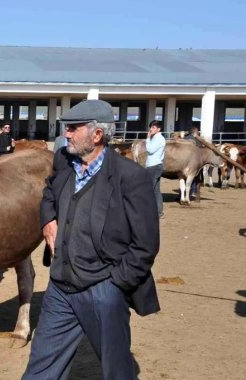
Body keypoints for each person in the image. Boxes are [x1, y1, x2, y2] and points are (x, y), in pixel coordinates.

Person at [24, 100, 160, 380]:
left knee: (116, 371)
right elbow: (49, 192)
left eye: (73, 128)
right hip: (60, 288)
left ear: (97, 135)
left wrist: (115, 284)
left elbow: (145, 245)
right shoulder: (64, 160)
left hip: (103, 289)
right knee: (40, 370)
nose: (67, 134)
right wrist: (48, 220)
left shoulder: (131, 177)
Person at [146, 120, 166, 218]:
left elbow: (150, 150)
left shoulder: (158, 138)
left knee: (149, 189)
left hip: (153, 166)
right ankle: (159, 212)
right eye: (151, 127)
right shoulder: (158, 138)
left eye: (153, 127)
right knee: (156, 191)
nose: (151, 129)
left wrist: (148, 139)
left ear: (159, 129)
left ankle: (152, 212)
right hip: (156, 166)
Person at [184, 126, 202, 197]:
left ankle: (183, 192)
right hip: (193, 161)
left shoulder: (185, 138)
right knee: (194, 176)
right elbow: (200, 150)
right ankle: (193, 191)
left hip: (184, 161)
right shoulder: (197, 139)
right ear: (194, 131)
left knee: (184, 177)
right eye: (197, 131)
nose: (198, 132)